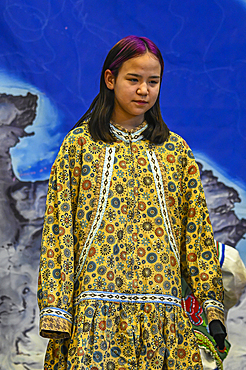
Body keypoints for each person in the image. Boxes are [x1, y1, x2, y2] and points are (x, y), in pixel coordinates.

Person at [37, 36, 226, 370]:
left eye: (153, 82)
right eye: (134, 79)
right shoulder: (80, 146)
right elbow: (59, 228)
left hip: (164, 315)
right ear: (110, 79)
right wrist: (57, 305)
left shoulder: (175, 151)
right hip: (95, 317)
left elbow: (196, 231)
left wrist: (210, 303)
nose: (144, 90)